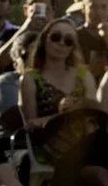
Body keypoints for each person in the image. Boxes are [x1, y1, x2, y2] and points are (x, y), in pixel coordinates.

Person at [18, 17, 100, 161]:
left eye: (68, 41)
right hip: (47, 146)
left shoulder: (84, 76)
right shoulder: (31, 79)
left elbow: (93, 115)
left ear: (72, 47)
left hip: (85, 143)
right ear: (45, 40)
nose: (61, 43)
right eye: (56, 37)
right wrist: (66, 116)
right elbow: (30, 125)